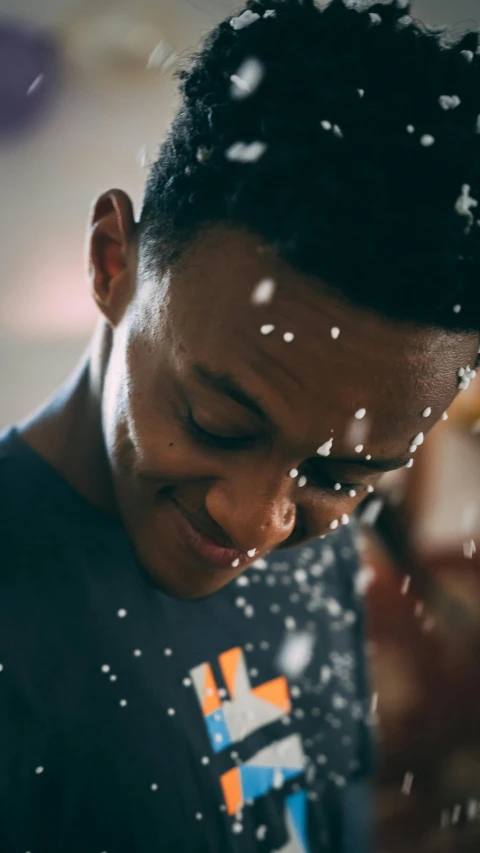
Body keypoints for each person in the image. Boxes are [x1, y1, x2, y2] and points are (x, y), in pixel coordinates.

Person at [1, 0, 479, 850]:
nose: (260, 522)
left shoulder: (313, 542)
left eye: (340, 476)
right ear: (115, 263)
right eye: (221, 423)